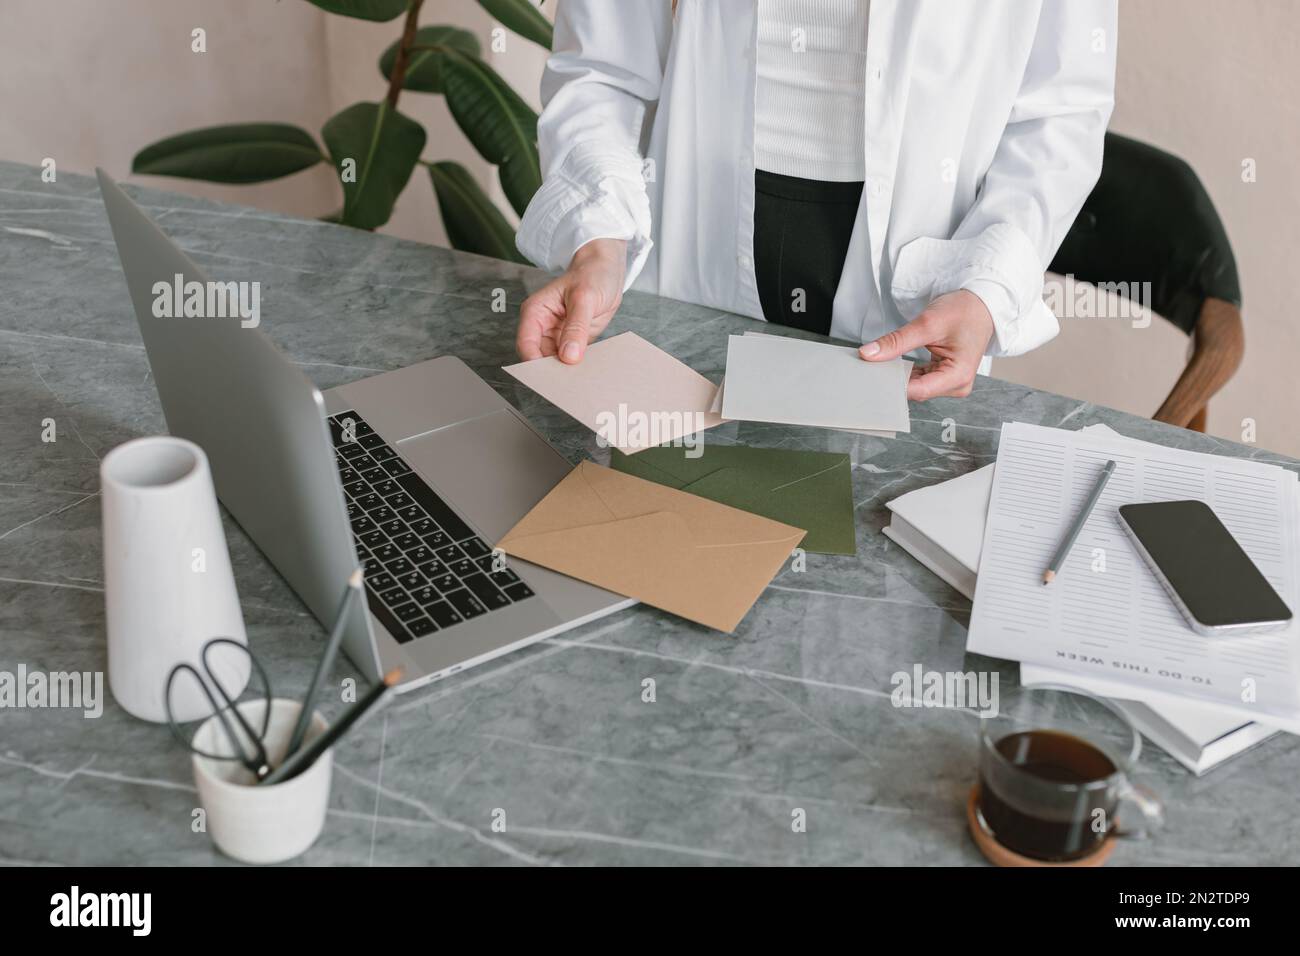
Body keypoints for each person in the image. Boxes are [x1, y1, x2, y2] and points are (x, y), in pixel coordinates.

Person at [515, 0, 1117, 401]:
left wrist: (988, 289)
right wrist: (598, 242)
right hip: (692, 262)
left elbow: (1060, 114)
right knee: (656, 533)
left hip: (920, 298)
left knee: (871, 574)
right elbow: (602, 68)